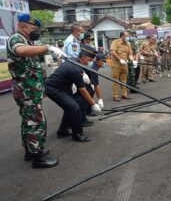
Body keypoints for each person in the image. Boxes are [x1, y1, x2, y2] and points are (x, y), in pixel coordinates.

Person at [6, 13, 63, 168]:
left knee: (28, 120)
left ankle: (30, 151)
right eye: (33, 28)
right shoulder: (16, 39)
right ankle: (38, 157)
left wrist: (41, 88)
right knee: (36, 122)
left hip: (30, 90)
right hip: (26, 90)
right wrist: (47, 48)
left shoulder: (27, 40)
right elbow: (21, 51)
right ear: (22, 26)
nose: (36, 31)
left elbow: (34, 69)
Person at [45, 45, 102, 142]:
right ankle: (78, 134)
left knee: (71, 106)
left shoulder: (74, 60)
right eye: (88, 60)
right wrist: (93, 104)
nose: (89, 62)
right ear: (82, 57)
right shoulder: (75, 68)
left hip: (63, 87)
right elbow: (83, 91)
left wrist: (84, 75)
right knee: (74, 107)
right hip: (54, 89)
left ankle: (62, 131)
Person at [74, 47, 105, 122]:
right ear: (98, 61)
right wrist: (99, 100)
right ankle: (82, 118)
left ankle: (88, 110)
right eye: (103, 61)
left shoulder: (95, 65)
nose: (104, 63)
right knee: (85, 96)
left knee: (91, 91)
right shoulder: (93, 68)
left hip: (82, 79)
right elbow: (96, 86)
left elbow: (93, 83)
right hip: (77, 80)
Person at [110, 32, 136, 102]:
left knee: (124, 80)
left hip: (124, 64)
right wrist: (120, 59)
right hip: (116, 64)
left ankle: (124, 95)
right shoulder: (116, 42)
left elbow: (130, 54)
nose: (128, 38)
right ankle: (115, 96)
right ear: (122, 36)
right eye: (127, 36)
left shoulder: (128, 44)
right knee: (115, 81)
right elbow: (113, 52)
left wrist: (133, 60)